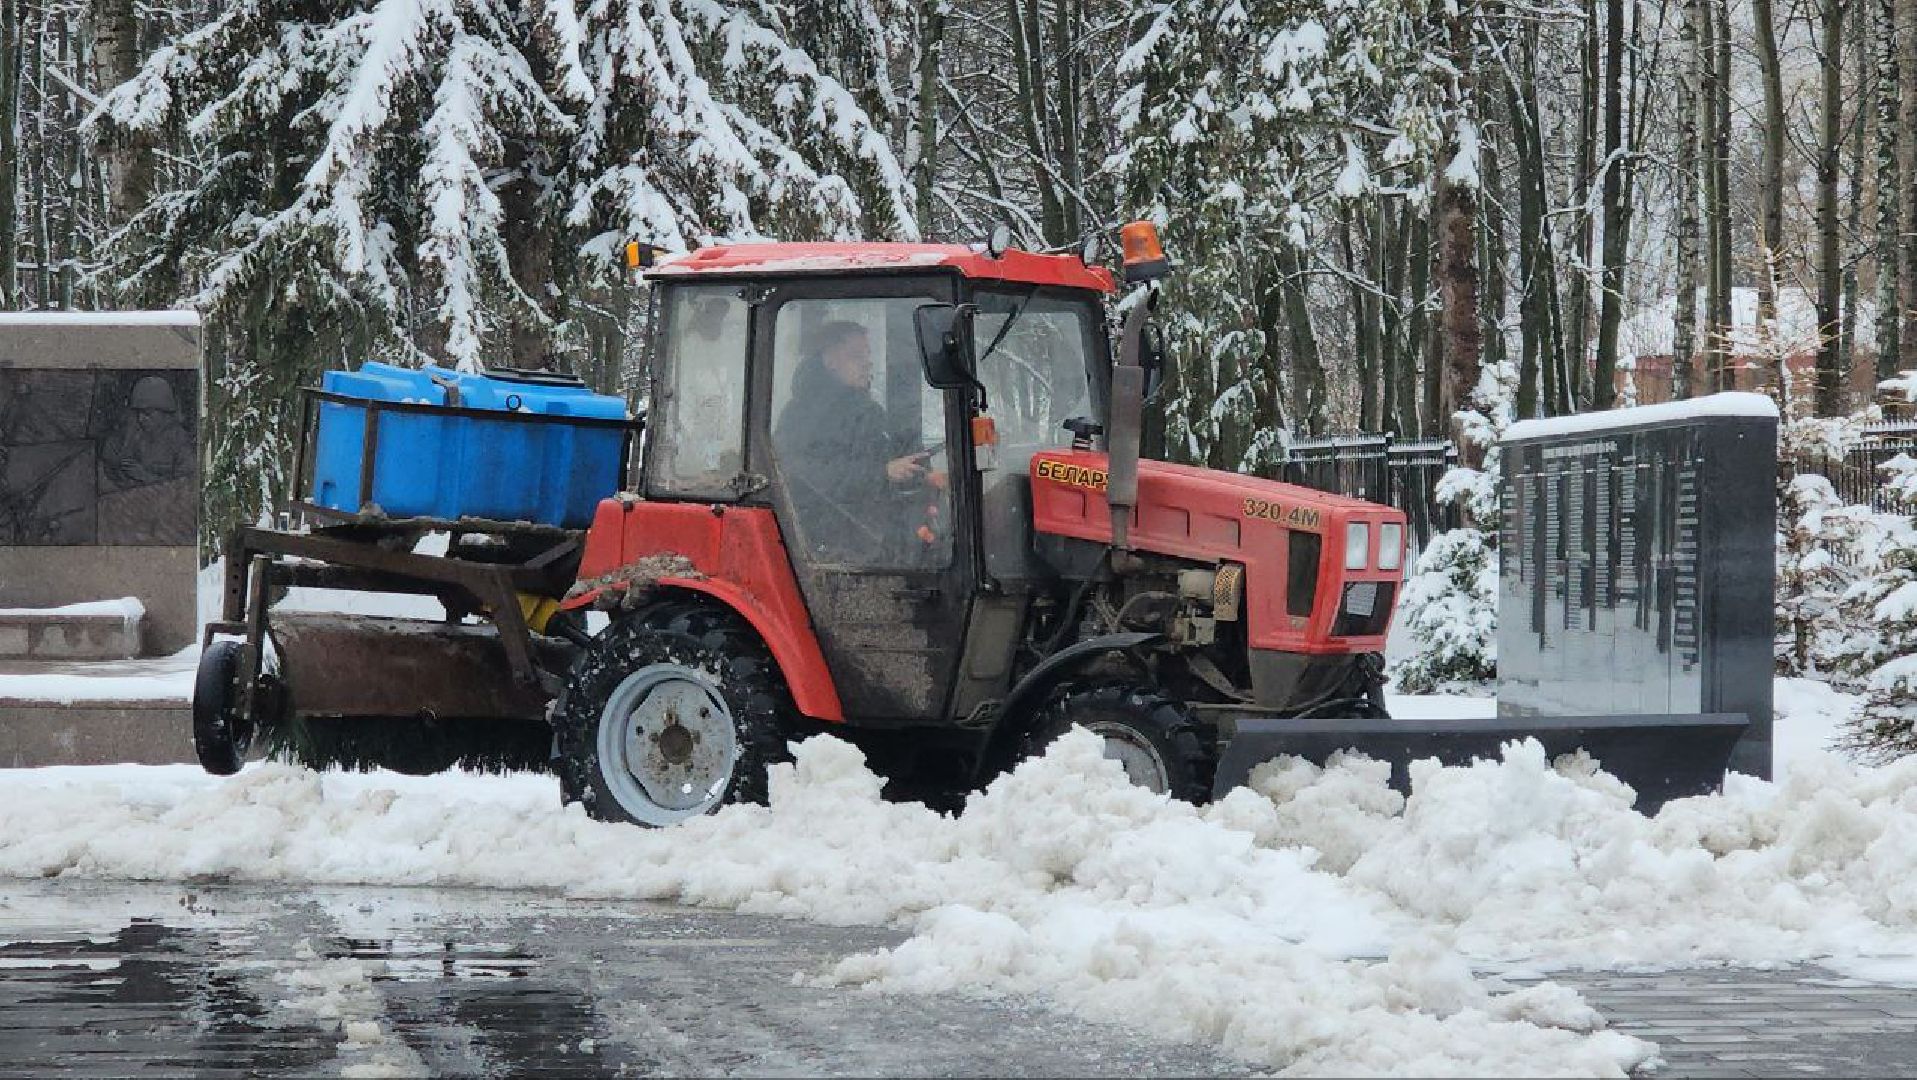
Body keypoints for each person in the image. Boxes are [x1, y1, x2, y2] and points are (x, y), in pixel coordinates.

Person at [775, 321, 930, 562]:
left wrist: (921, 471)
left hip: (871, 530)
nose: (868, 362)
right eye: (856, 356)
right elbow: (806, 477)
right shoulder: (803, 415)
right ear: (830, 360)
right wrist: (882, 473)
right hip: (828, 541)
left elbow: (879, 457)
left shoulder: (865, 410)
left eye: (868, 354)